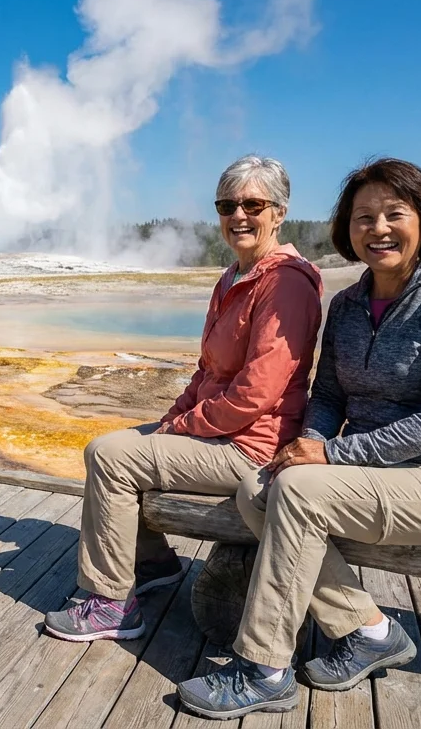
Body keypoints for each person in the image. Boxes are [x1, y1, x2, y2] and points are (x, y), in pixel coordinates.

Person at [177, 158, 421, 721]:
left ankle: (264, 669)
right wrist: (305, 446)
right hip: (377, 474)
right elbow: (327, 394)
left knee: (299, 496)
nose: (377, 228)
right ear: (347, 230)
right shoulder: (349, 306)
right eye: (363, 217)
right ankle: (370, 629)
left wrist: (331, 454)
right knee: (261, 487)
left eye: (392, 214)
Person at [42, 155, 324, 643]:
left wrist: (185, 426)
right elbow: (207, 370)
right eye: (227, 204)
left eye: (253, 204)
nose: (239, 214)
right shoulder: (232, 277)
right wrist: (172, 418)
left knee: (108, 457)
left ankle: (111, 604)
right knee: (119, 442)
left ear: (279, 212)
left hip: (253, 448)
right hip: (219, 435)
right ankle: (153, 563)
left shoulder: (286, 283)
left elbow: (257, 391)